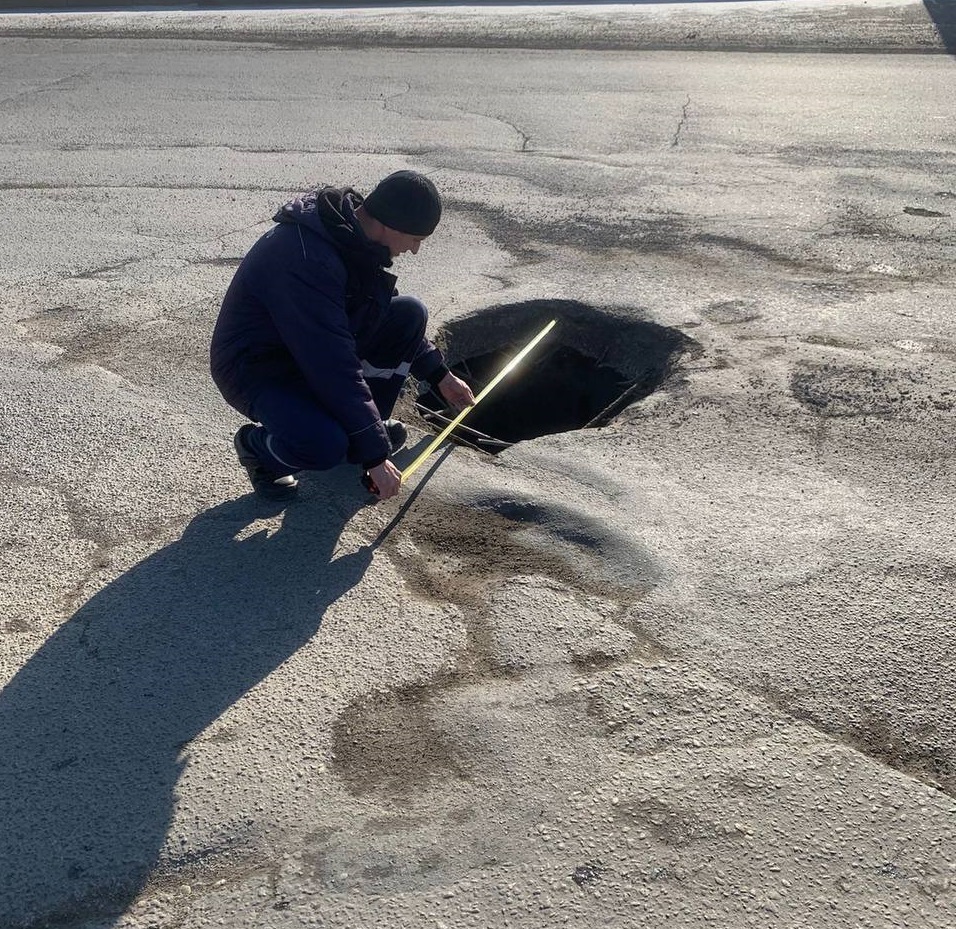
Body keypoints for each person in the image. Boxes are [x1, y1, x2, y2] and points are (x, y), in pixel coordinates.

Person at [210, 170, 475, 502]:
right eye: (415, 239)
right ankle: (259, 451)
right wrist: (376, 454)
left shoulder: (350, 234)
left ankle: (362, 435)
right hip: (257, 368)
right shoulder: (306, 258)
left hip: (303, 353)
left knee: (408, 314)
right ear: (392, 226)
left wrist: (439, 374)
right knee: (324, 446)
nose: (415, 250)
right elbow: (332, 365)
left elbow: (375, 311)